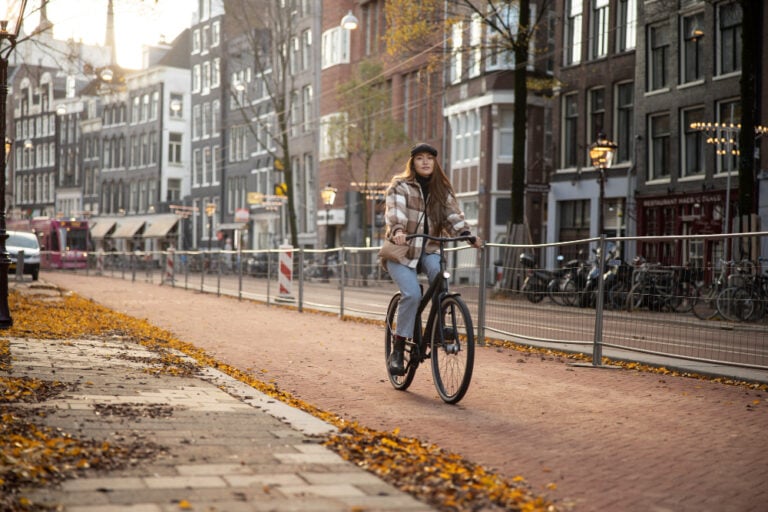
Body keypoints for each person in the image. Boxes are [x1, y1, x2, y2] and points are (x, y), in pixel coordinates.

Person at [380, 142, 482, 376]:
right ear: (413, 163)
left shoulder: (441, 190)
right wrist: (397, 231)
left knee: (440, 278)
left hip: (430, 248)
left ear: (435, 162)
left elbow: (452, 215)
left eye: (429, 158)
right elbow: (395, 212)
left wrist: (466, 235)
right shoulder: (401, 186)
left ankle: (439, 328)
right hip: (402, 251)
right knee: (412, 294)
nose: (425, 162)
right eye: (420, 158)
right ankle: (398, 348)